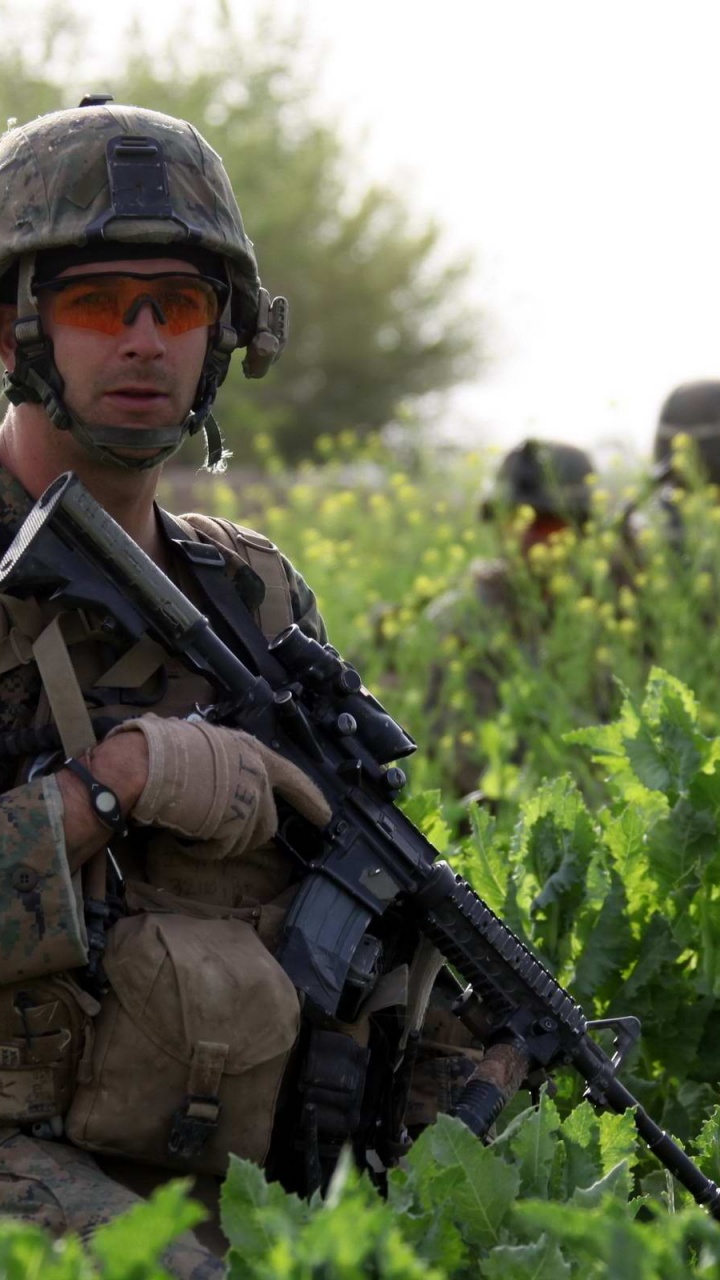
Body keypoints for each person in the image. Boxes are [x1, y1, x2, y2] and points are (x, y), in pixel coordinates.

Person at [0, 96, 483, 1274]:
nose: (145, 339)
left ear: (225, 338)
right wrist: (115, 785)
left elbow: (365, 897)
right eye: (100, 302)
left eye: (183, 305)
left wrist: (471, 1075)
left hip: (230, 1151)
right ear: (15, 331)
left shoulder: (254, 594)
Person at [423, 438, 598, 802]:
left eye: (546, 524)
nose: (527, 538)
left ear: (581, 530)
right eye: (515, 521)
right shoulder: (460, 619)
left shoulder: (601, 616)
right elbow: (452, 757)